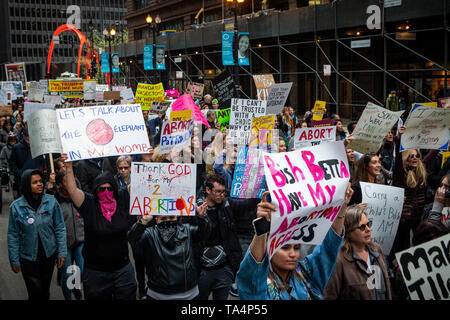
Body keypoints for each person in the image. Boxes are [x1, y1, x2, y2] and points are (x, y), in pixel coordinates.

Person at [236, 185, 353, 300]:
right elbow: (253, 268)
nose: (293, 254)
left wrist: (341, 205)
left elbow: (329, 248)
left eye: (296, 248)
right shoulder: (258, 283)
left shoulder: (307, 273)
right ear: (270, 248)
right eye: (285, 248)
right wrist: (262, 225)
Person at [61, 153, 137, 300]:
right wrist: (69, 167)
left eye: (109, 189)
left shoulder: (122, 198)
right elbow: (72, 190)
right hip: (96, 273)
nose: (106, 192)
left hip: (123, 269)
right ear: (96, 190)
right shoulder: (89, 204)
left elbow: (142, 184)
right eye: (102, 189)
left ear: (114, 189)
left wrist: (147, 159)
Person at [197, 174, 260, 300]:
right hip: (202, 271)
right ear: (208, 190)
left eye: (223, 192)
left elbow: (245, 205)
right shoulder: (195, 208)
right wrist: (200, 219)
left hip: (224, 269)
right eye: (218, 192)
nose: (222, 195)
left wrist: (261, 194)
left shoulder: (226, 204)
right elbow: (193, 235)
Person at [127, 205, 211, 300]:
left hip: (189, 293)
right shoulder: (150, 234)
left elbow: (205, 233)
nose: (168, 221)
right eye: (163, 218)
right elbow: (132, 239)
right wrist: (143, 222)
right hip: (158, 294)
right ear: (157, 219)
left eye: (171, 217)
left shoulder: (187, 230)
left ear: (177, 217)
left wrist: (202, 218)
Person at [7, 169, 67, 300]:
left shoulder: (51, 201)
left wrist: (62, 251)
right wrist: (14, 260)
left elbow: (60, 227)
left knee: (45, 292)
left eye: (41, 181)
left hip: (48, 255)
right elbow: (13, 235)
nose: (40, 184)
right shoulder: (16, 207)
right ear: (26, 185)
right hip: (28, 258)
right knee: (35, 293)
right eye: (35, 182)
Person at [324, 204, 392, 300]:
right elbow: (329, 295)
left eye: (368, 224)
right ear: (349, 231)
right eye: (362, 227)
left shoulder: (376, 250)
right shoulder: (339, 261)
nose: (368, 229)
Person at [390, 125, 427, 257]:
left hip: (419, 215)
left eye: (417, 155)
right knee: (403, 247)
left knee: (419, 245)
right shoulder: (401, 174)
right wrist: (399, 138)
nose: (415, 157)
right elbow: (398, 160)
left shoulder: (421, 171)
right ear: (406, 158)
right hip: (404, 218)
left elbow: (433, 154)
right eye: (411, 155)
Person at [54, 171, 85, 300]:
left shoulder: (79, 196)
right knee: (67, 274)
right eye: (66, 180)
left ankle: (76, 286)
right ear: (60, 184)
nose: (70, 183)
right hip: (64, 243)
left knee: (81, 269)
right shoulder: (55, 200)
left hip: (80, 239)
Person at [9, 128, 46, 199]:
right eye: (27, 136)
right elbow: (12, 163)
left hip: (36, 178)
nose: (29, 138)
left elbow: (42, 161)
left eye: (31, 136)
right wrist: (20, 173)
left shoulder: (38, 146)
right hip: (23, 180)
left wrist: (40, 171)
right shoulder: (17, 148)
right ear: (24, 136)